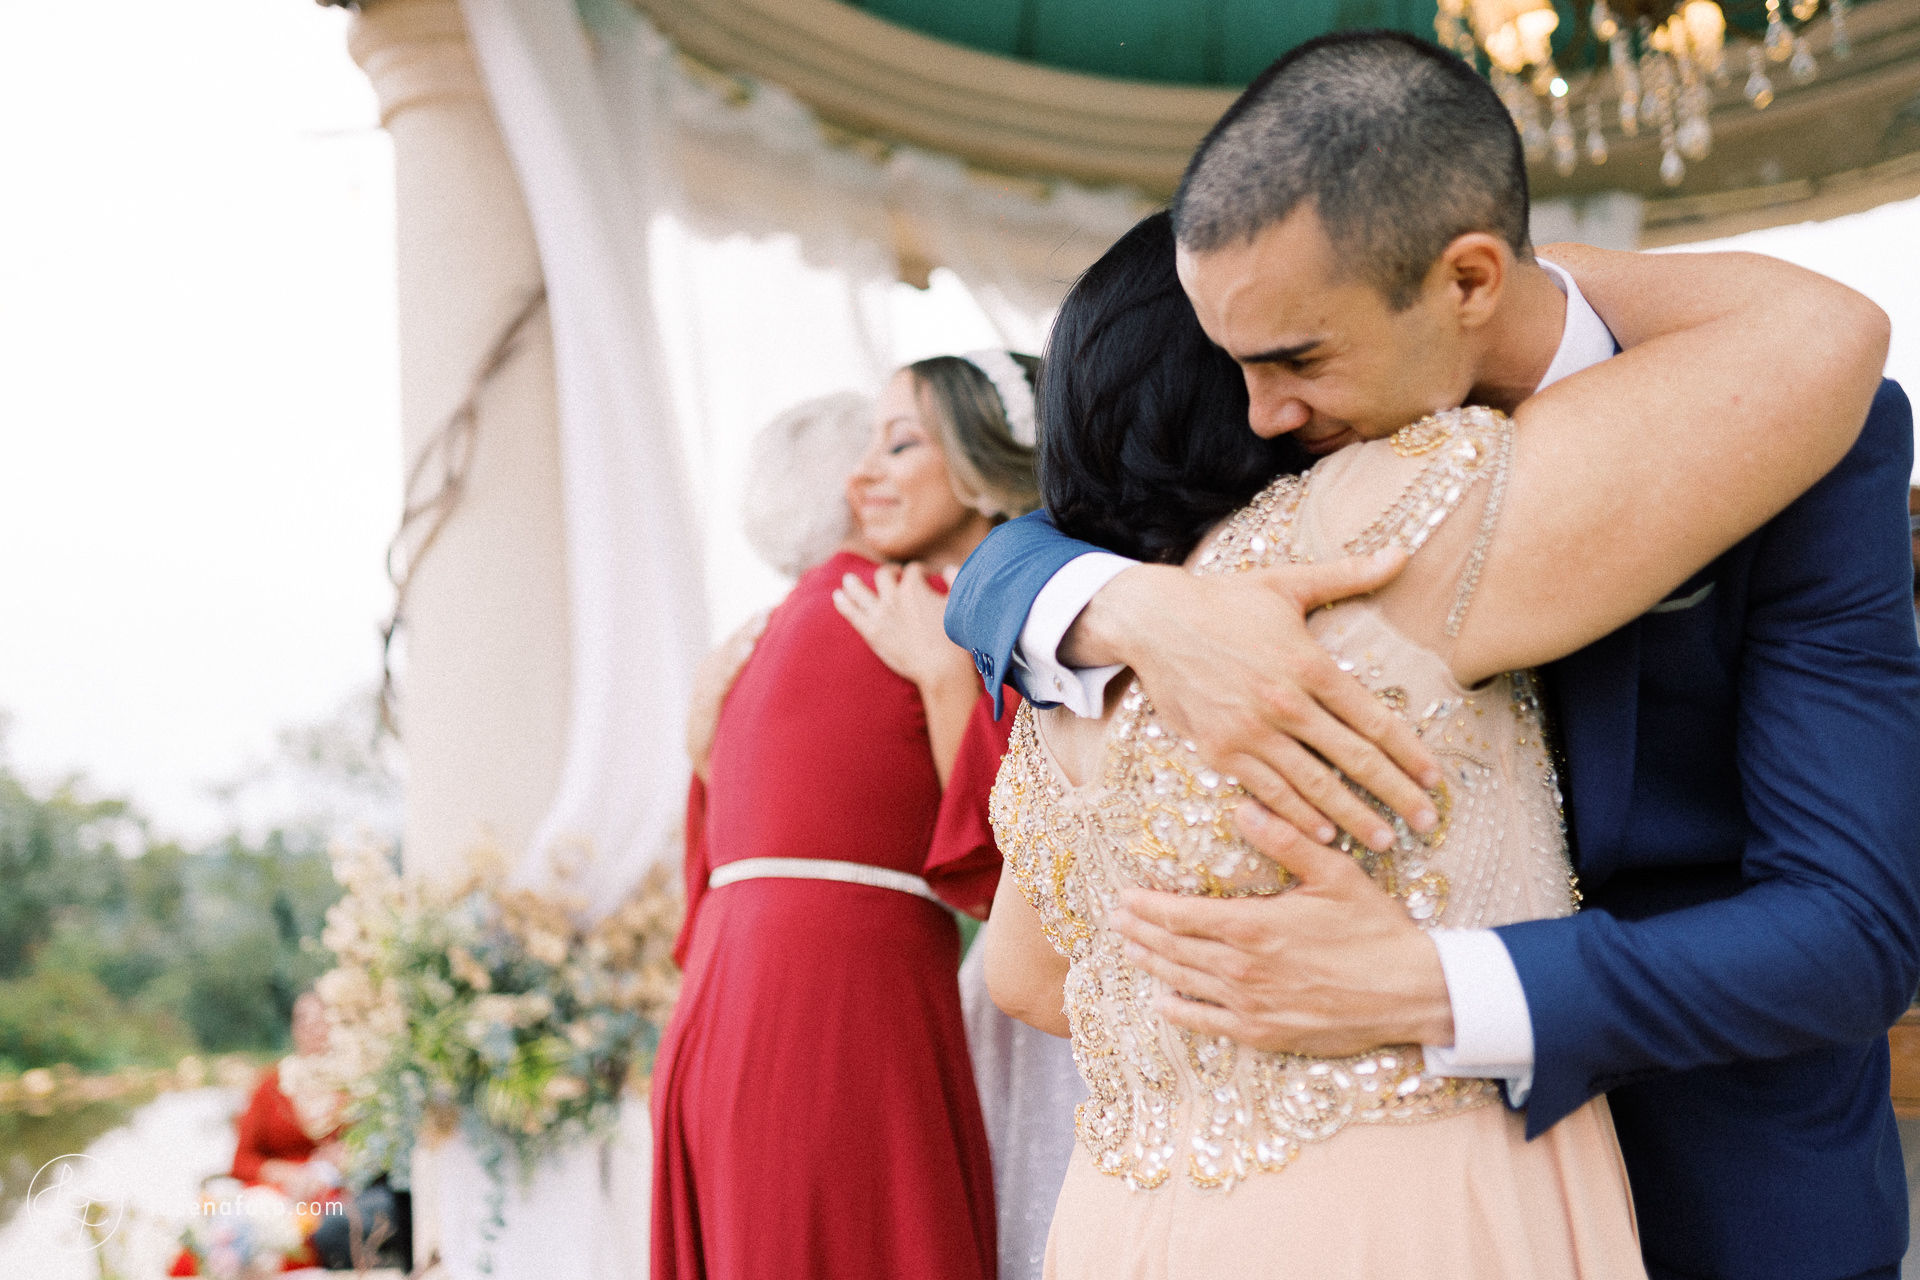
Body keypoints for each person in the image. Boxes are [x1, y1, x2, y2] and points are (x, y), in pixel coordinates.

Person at [948, 32, 1920, 1280]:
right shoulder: (1278, 505)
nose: (1257, 412)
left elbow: (1849, 930)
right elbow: (1049, 535)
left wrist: (1435, 984)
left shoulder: (1804, 430)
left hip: (1722, 1180)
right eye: (1230, 362)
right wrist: (1121, 604)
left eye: (1294, 355)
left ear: (1466, 279)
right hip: (1402, 1201)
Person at [651, 353, 1043, 1280]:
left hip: (724, 995)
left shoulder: (763, 637)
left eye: (897, 442)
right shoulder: (933, 614)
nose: (863, 474)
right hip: (842, 1003)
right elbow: (1016, 872)